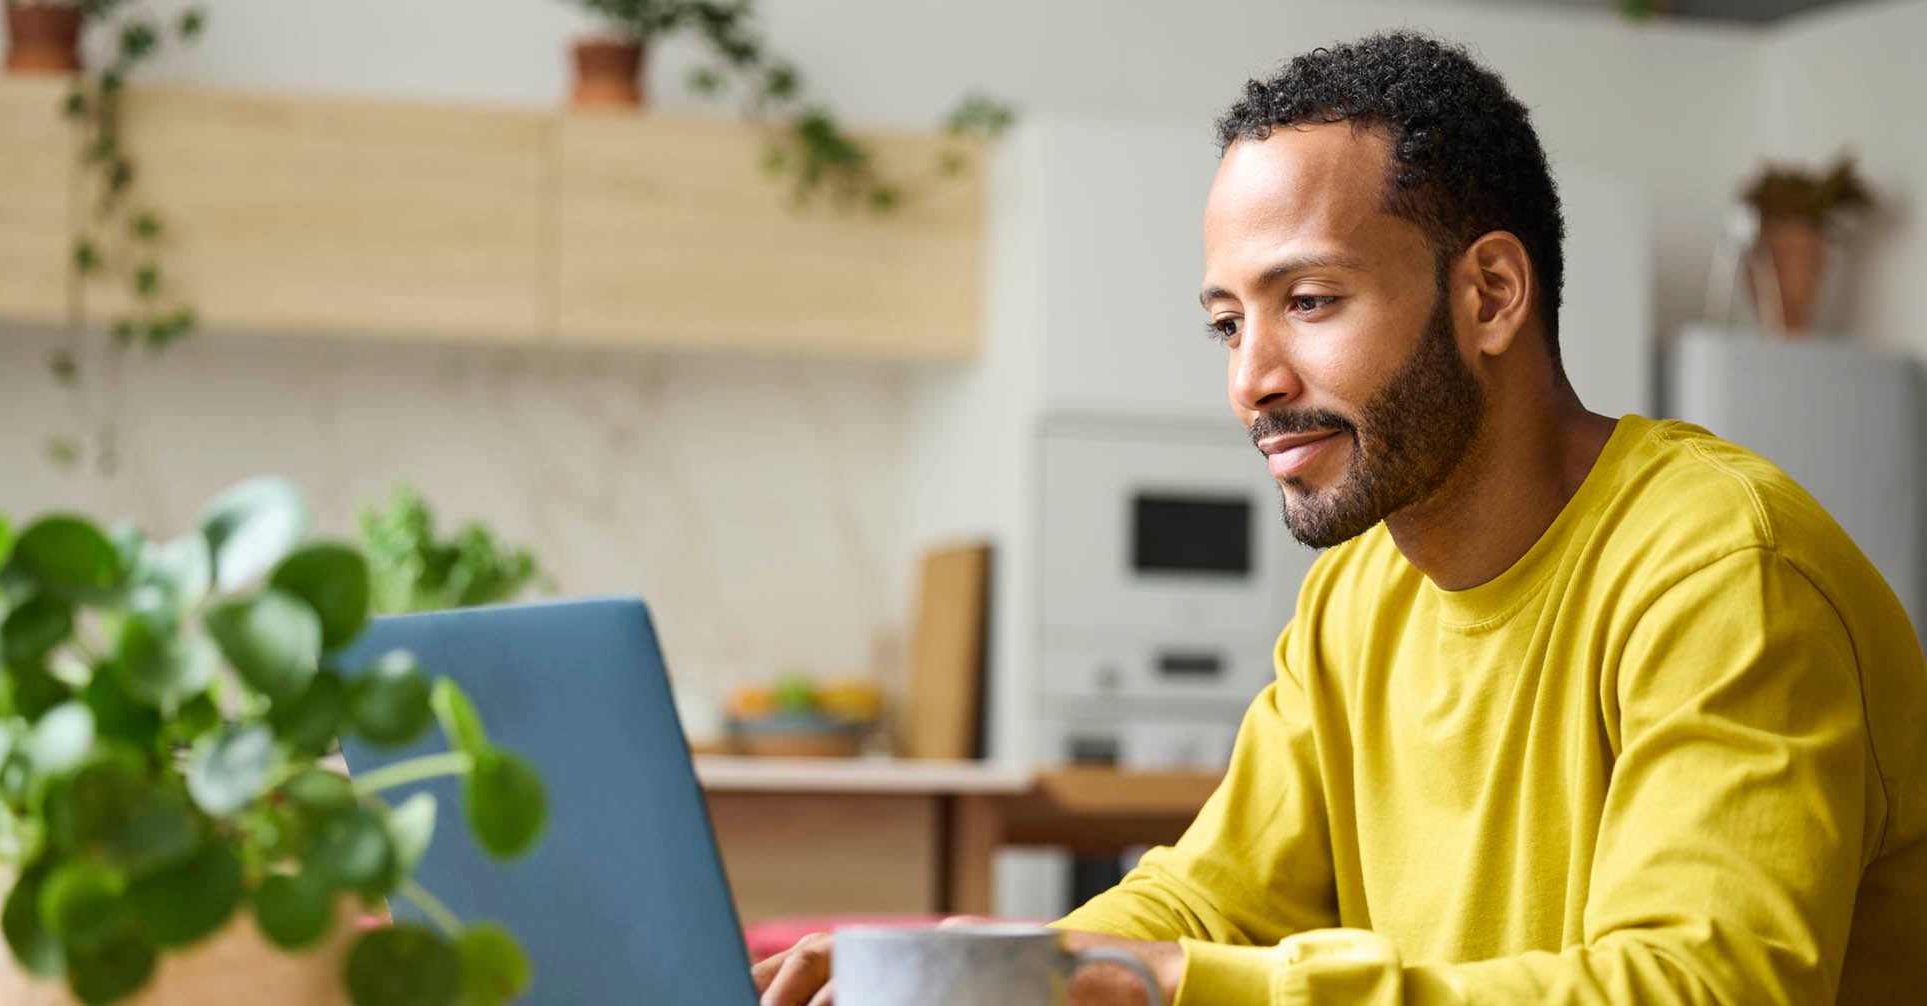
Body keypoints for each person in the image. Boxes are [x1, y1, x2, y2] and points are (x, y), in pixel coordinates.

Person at [752, 30, 1927, 1006]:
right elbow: (1212, 893)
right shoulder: (1358, 595)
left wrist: (1178, 983)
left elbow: (1692, 987)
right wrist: (995, 968)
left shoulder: (1723, 570)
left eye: (1307, 301)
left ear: (1489, 295)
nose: (1250, 379)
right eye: (1227, 323)